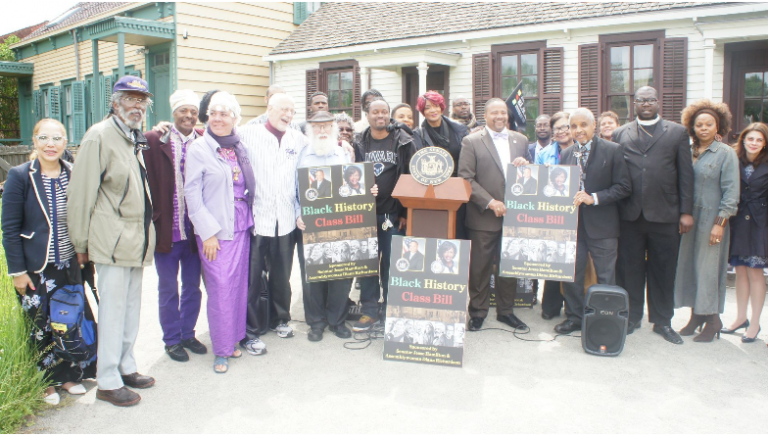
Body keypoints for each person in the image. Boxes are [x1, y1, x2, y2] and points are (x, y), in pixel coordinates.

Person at [67, 76, 157, 407]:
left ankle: (125, 366)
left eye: (141, 100)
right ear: (115, 102)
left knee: (131, 309)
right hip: (112, 241)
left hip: (135, 240)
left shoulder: (133, 137)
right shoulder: (99, 136)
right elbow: (80, 194)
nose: (137, 106)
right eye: (130, 99)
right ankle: (106, 379)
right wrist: (79, 243)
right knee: (114, 310)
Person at [2, 119, 96, 406]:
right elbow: (9, 226)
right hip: (35, 268)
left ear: (66, 142)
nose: (51, 144)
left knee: (66, 323)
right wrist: (17, 272)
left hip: (68, 265)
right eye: (44, 138)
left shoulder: (73, 172)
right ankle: (46, 383)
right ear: (35, 142)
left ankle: (69, 376)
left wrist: (84, 252)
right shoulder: (21, 175)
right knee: (39, 326)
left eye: (57, 138)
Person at [612, 86, 694, 344]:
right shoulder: (619, 133)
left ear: (658, 102)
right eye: (640, 100)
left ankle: (662, 321)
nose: (645, 103)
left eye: (650, 100)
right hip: (630, 214)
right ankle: (632, 317)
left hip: (666, 214)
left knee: (663, 269)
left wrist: (686, 212)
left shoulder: (677, 132)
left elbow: (686, 175)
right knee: (630, 269)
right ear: (633, 104)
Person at [184, 91, 254, 373]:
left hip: (241, 224)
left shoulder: (239, 146)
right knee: (221, 289)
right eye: (213, 113)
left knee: (237, 287)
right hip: (215, 230)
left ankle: (234, 339)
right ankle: (221, 350)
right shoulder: (199, 148)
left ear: (235, 118)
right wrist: (207, 233)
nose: (217, 119)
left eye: (224, 114)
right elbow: (192, 193)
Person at [296, 111, 379, 341]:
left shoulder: (344, 152)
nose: (322, 131)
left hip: (341, 224)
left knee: (341, 275)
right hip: (312, 224)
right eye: (317, 127)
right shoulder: (303, 155)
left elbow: (355, 183)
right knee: (313, 277)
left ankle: (337, 320)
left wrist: (369, 190)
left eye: (326, 126)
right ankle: (316, 322)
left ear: (333, 128)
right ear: (310, 130)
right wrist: (297, 214)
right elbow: (294, 190)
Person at [239, 93, 308, 351]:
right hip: (258, 218)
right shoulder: (248, 134)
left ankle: (281, 319)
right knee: (253, 278)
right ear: (269, 109)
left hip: (287, 219)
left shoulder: (298, 139)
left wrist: (344, 146)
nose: (288, 115)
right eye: (283, 110)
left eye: (292, 111)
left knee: (282, 275)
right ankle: (251, 330)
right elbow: (216, 135)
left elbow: (318, 156)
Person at [143, 89, 207, 363]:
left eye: (193, 111)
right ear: (173, 112)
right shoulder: (155, 139)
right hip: (168, 230)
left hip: (195, 232)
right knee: (168, 288)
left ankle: (187, 333)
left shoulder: (205, 141)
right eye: (184, 110)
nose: (189, 116)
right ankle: (171, 339)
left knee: (193, 286)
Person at [458, 98, 532, 332]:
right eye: (494, 113)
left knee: (508, 265)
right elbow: (465, 178)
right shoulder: (471, 141)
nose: (499, 117)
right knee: (479, 267)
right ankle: (478, 312)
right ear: (486, 115)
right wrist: (490, 202)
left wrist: (525, 163)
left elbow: (528, 174)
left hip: (514, 216)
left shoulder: (521, 140)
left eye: (503, 113)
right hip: (483, 216)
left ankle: (506, 311)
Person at [556, 108, 631, 334]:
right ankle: (574, 317)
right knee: (572, 274)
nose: (578, 130)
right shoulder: (566, 154)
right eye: (574, 126)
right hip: (573, 225)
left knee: (605, 276)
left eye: (583, 125)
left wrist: (594, 198)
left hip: (603, 225)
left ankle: (604, 321)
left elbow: (624, 187)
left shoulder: (613, 150)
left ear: (593, 126)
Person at [675, 100, 740, 343]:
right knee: (690, 266)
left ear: (718, 126)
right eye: (698, 124)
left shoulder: (725, 153)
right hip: (688, 219)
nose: (703, 128)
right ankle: (696, 315)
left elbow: (731, 193)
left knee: (708, 269)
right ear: (692, 127)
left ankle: (713, 320)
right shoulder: (687, 151)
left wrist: (719, 224)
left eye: (708, 124)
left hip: (711, 220)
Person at [352, 98, 417, 331]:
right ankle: (369, 311)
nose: (380, 116)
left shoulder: (404, 141)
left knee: (392, 263)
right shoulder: (358, 142)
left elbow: (412, 178)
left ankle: (391, 309)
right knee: (368, 265)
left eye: (385, 112)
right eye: (375, 112)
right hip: (365, 215)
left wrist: (407, 212)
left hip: (392, 214)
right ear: (367, 115)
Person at [724, 123, 768, 343]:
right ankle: (741, 318)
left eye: (759, 140)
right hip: (738, 221)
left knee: (755, 272)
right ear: (743, 140)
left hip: (760, 224)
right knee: (740, 271)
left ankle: (756, 322)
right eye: (750, 139)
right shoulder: (734, 160)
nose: (754, 143)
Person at [413, 91, 470, 239]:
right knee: (437, 231)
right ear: (422, 111)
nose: (432, 110)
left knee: (458, 232)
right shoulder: (417, 135)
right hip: (432, 191)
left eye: (436, 106)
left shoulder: (459, 130)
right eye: (427, 108)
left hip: (456, 189)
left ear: (442, 107)